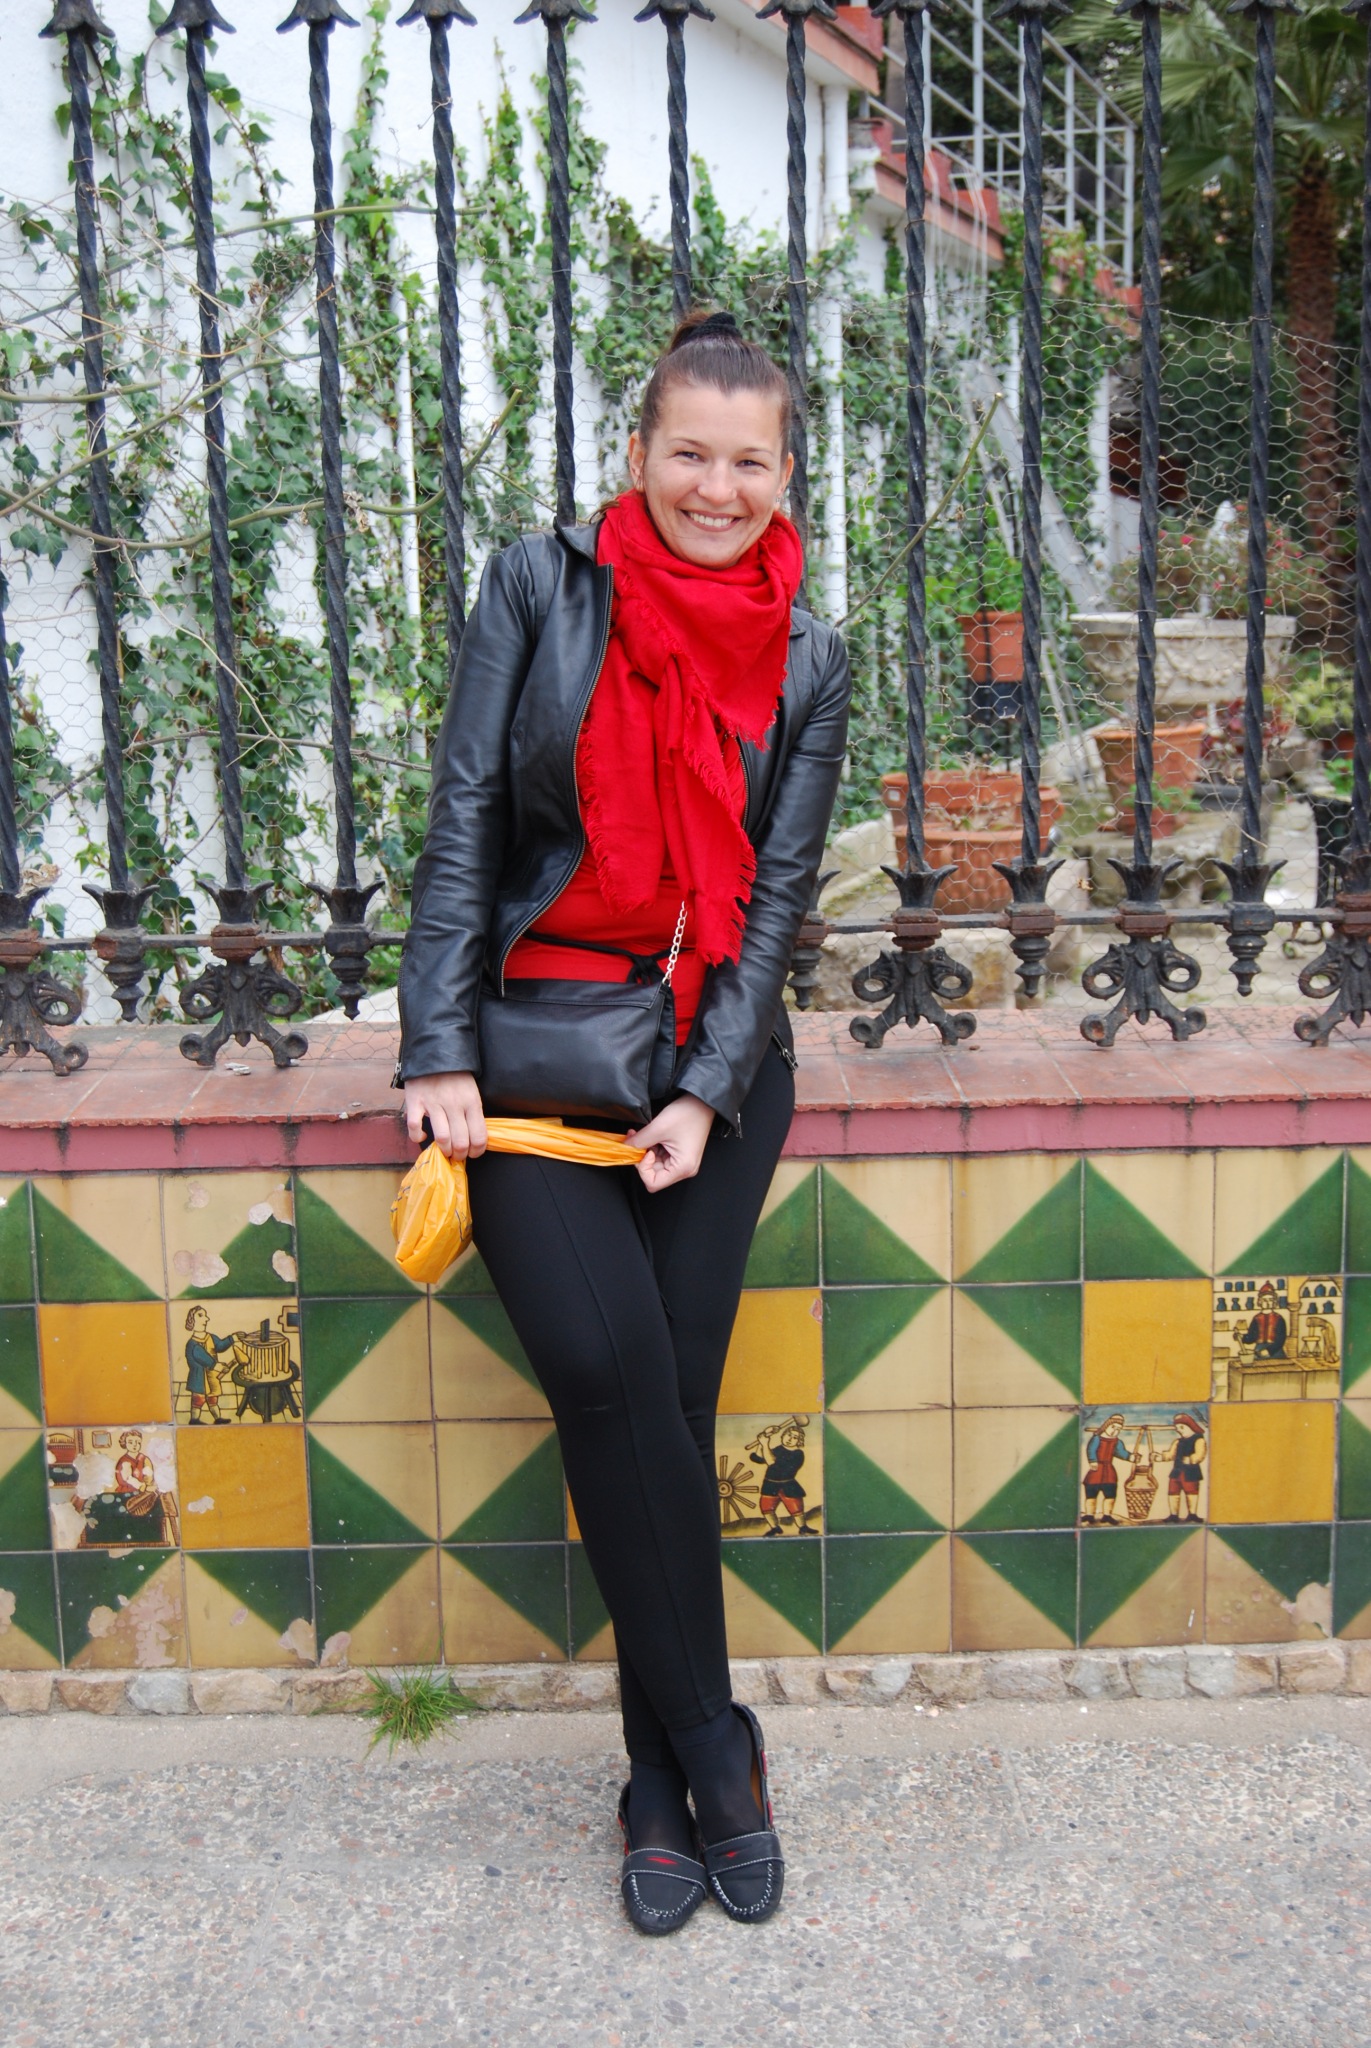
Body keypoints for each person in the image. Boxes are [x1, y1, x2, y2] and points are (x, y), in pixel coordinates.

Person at [399, 310, 850, 1935]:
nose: (717, 488)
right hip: (528, 1049)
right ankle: (719, 1746)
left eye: (750, 461)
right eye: (689, 454)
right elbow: (465, 812)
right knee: (604, 1372)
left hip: (708, 1060)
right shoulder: (541, 587)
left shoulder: (810, 656)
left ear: (786, 473)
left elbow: (777, 901)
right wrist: (436, 1042)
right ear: (641, 453)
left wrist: (706, 1091)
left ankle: (655, 1783)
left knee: (666, 1399)